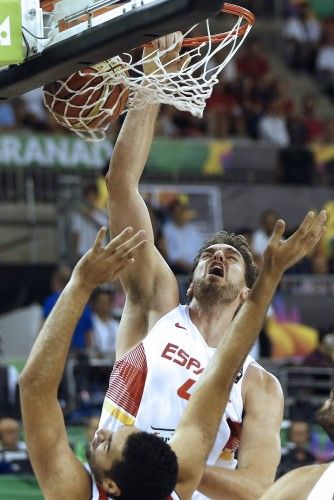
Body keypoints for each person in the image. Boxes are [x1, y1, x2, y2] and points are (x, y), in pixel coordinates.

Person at [19, 210, 326, 499]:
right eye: (109, 439)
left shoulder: (85, 490)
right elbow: (219, 378)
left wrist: (80, 282)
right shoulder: (178, 481)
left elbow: (34, 388)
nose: (100, 435)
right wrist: (270, 275)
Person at [101, 32, 284, 499]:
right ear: (189, 284)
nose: (216, 256)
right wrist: (153, 80)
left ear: (247, 293)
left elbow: (256, 487)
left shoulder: (261, 386)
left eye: (231, 258)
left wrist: (166, 468)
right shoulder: (157, 307)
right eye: (207, 255)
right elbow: (121, 185)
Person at [260, 387, 334, 500]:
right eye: (297, 434)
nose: (327, 400)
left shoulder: (303, 476)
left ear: (307, 435)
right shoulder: (288, 472)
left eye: (302, 434)